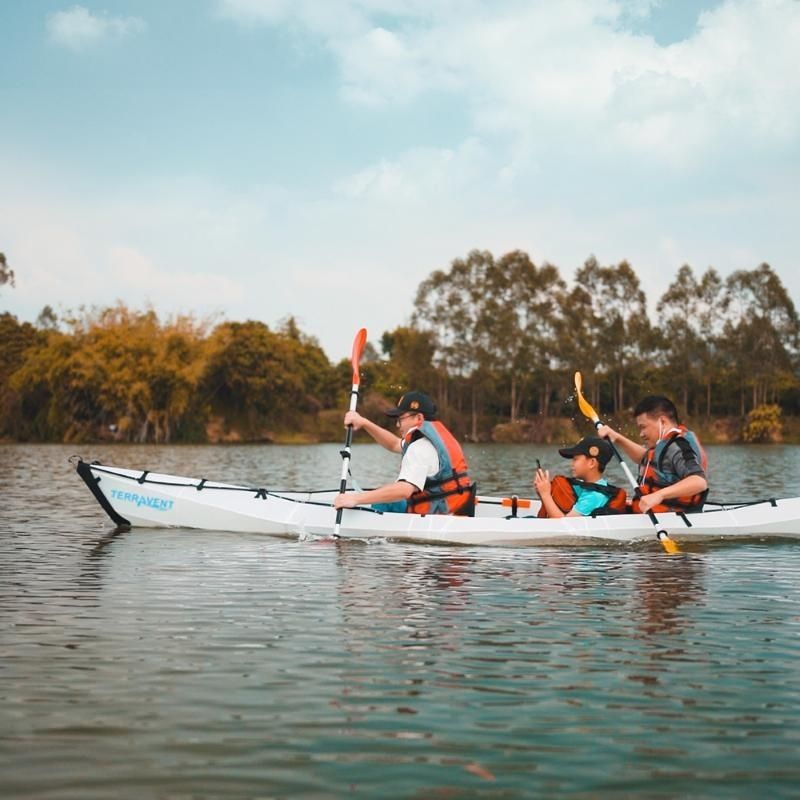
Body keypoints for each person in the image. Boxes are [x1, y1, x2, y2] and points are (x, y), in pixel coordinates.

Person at [332, 391, 474, 516]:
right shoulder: (434, 440)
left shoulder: (420, 447)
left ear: (418, 418)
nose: (397, 425)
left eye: (401, 419)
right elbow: (394, 444)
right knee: (385, 496)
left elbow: (404, 490)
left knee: (384, 502)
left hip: (438, 516)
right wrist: (364, 423)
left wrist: (355, 499)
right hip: (456, 509)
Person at [597, 395, 708, 514]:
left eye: (643, 427)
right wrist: (617, 437)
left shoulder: (678, 446)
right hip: (648, 512)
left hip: (670, 516)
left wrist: (658, 495)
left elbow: (699, 481)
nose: (641, 434)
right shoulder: (665, 444)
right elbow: (644, 458)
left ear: (662, 421)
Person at [534, 436, 627, 517]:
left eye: (575, 459)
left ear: (591, 463)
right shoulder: (584, 487)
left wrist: (545, 495)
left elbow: (564, 524)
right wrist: (542, 492)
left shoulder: (594, 496)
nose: (572, 464)